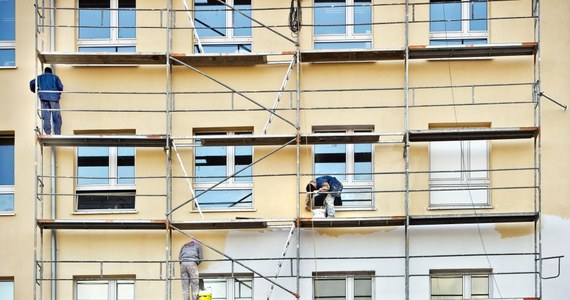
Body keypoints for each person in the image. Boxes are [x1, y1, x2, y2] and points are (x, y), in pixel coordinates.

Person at [29, 67, 64, 135]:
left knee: (46, 116)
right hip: (54, 98)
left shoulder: (39, 77)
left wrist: (35, 91)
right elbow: (60, 87)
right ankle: (57, 133)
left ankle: (48, 132)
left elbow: (31, 83)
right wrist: (58, 93)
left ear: (45, 72)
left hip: (43, 98)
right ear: (51, 72)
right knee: (56, 116)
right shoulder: (55, 77)